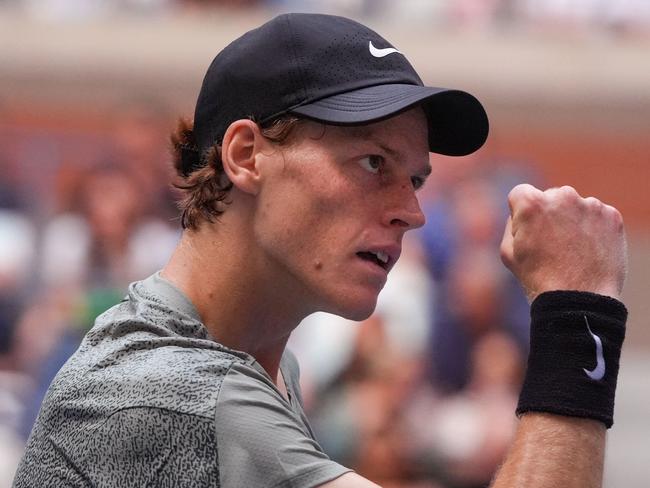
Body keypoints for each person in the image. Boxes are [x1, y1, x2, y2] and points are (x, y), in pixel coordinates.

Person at [13, 13, 627, 488]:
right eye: (372, 162)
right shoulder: (183, 393)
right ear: (247, 156)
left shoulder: (264, 372)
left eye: (414, 179)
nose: (411, 212)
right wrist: (578, 311)